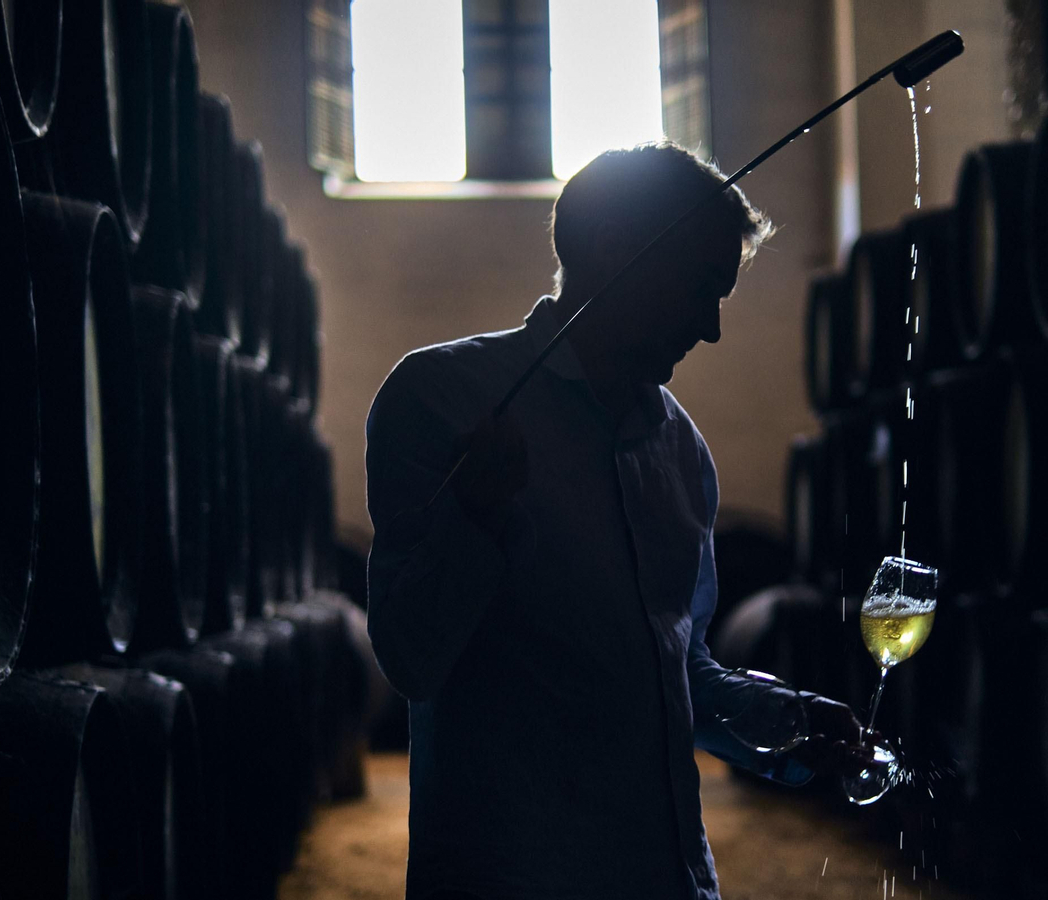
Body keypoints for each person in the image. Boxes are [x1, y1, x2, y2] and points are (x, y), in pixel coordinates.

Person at [365, 143, 867, 900]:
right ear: (610, 252)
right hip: (512, 878)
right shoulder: (443, 397)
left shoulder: (681, 448)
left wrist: (787, 722)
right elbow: (410, 657)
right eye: (701, 289)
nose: (712, 328)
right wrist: (477, 519)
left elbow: (675, 673)